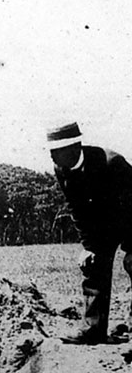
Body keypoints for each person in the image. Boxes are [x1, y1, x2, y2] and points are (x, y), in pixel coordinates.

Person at [48, 122, 132, 345]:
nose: (52, 156)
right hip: (105, 224)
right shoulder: (61, 169)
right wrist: (89, 247)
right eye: (51, 151)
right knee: (93, 264)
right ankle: (93, 330)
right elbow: (76, 209)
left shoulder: (111, 162)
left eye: (57, 151)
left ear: (75, 147)